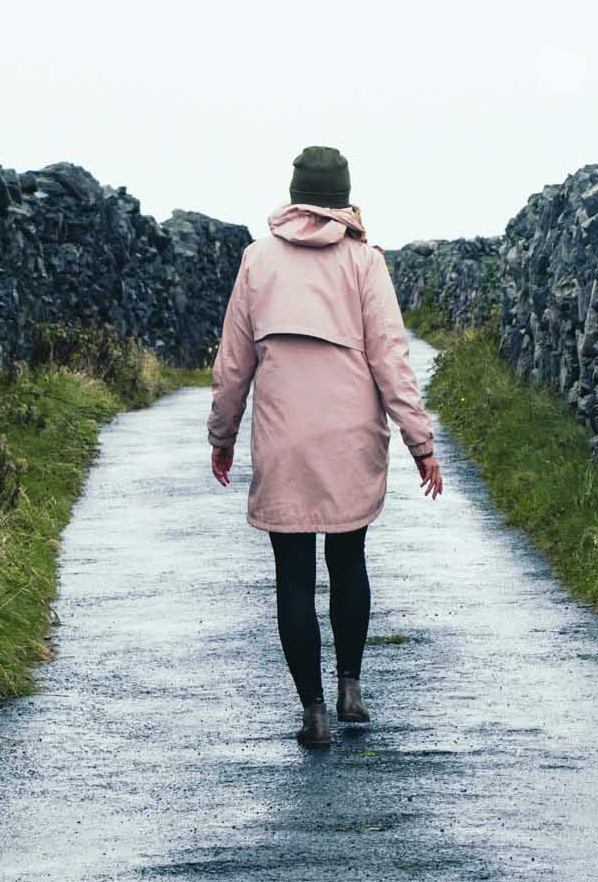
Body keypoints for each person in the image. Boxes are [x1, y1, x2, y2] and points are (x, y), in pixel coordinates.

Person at [206, 145, 443, 749]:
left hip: (284, 438)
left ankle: (312, 711)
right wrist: (421, 444)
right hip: (349, 435)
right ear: (343, 197)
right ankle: (350, 688)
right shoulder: (364, 261)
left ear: (293, 195)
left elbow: (233, 364)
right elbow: (391, 358)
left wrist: (223, 435)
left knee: (292, 575)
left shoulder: (257, 260)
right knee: (348, 559)